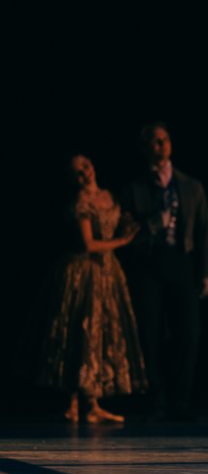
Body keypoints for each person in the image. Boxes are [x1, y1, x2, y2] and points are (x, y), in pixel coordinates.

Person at [39, 155, 147, 423]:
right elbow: (88, 243)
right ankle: (74, 401)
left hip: (107, 272)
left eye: (85, 166)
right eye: (77, 172)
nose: (85, 174)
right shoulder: (82, 202)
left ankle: (92, 402)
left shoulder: (109, 196)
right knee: (81, 329)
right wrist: (123, 241)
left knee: (101, 333)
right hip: (84, 271)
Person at [119, 122, 208, 420]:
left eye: (163, 140)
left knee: (188, 331)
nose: (159, 146)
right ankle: (155, 399)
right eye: (153, 141)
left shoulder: (190, 186)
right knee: (150, 332)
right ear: (145, 147)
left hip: (181, 260)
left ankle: (181, 400)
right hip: (148, 263)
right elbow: (125, 233)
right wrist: (152, 224)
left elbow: (204, 231)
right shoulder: (134, 188)